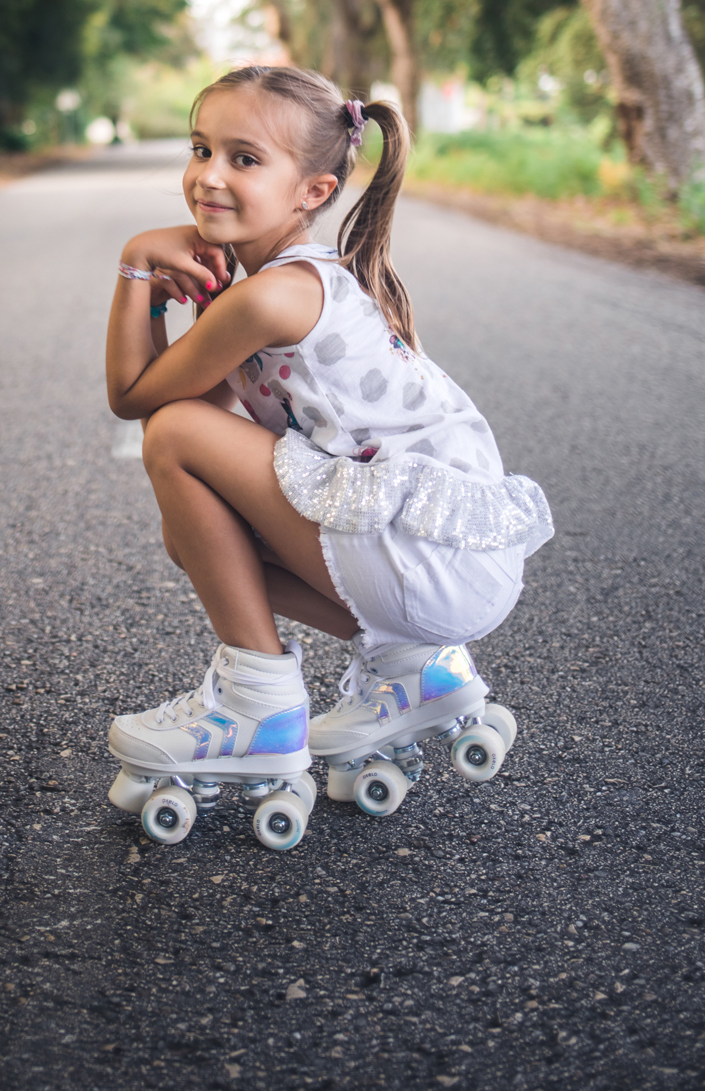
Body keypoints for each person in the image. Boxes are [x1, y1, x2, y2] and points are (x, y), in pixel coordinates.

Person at [104, 63, 552, 797]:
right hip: (449, 568)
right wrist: (179, 292)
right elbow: (207, 411)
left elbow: (139, 400)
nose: (208, 176)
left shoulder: (275, 296)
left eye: (244, 159)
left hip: (429, 562)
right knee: (198, 534)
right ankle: (415, 670)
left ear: (313, 192)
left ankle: (258, 712)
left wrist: (135, 270)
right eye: (199, 149)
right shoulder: (284, 282)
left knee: (174, 435)